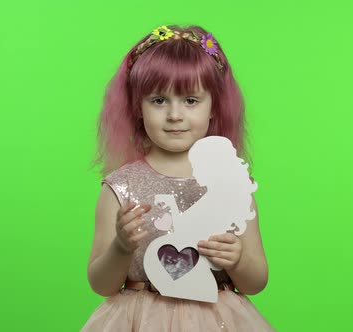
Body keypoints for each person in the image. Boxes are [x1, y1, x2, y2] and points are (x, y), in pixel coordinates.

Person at [83, 24, 275, 331]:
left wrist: (237, 261)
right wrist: (120, 246)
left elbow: (256, 282)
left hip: (217, 319)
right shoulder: (121, 187)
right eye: (159, 100)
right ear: (138, 107)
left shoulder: (231, 185)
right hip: (138, 320)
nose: (175, 115)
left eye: (191, 100)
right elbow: (101, 284)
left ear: (214, 106)